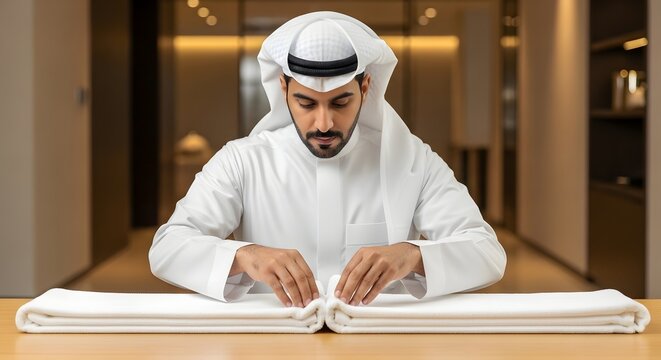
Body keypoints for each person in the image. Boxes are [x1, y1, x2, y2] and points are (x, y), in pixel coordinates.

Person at [149, 11, 506, 308]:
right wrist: (245, 256)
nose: (324, 123)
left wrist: (412, 255)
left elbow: (487, 253)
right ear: (284, 89)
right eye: (306, 103)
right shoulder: (241, 161)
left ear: (365, 89)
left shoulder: (412, 160)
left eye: (340, 102)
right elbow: (167, 248)